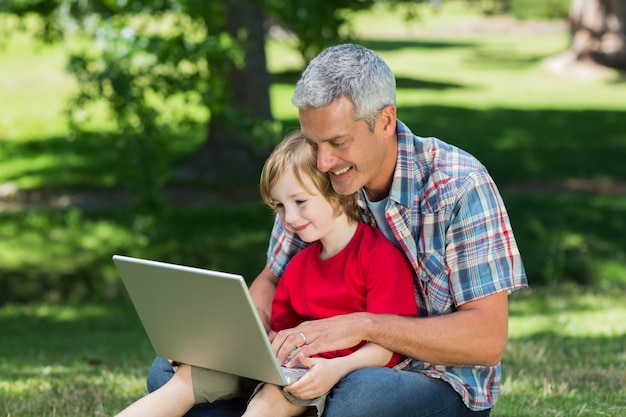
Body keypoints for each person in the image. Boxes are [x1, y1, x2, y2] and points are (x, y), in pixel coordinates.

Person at [148, 43, 528, 416]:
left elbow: (487, 339)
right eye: (314, 142)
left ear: (385, 121)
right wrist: (237, 339)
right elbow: (271, 279)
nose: (325, 161)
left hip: (431, 380)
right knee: (167, 373)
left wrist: (361, 326)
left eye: (338, 142)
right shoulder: (318, 177)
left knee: (359, 396)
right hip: (316, 369)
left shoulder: (458, 185)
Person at [116, 130, 417, 417]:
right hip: (285, 369)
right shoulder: (298, 266)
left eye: (300, 202)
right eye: (280, 207)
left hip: (327, 374)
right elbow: (278, 334)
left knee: (268, 401)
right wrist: (218, 344)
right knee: (185, 379)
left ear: (338, 193)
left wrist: (336, 369)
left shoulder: (379, 258)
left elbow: (385, 346)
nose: (290, 218)